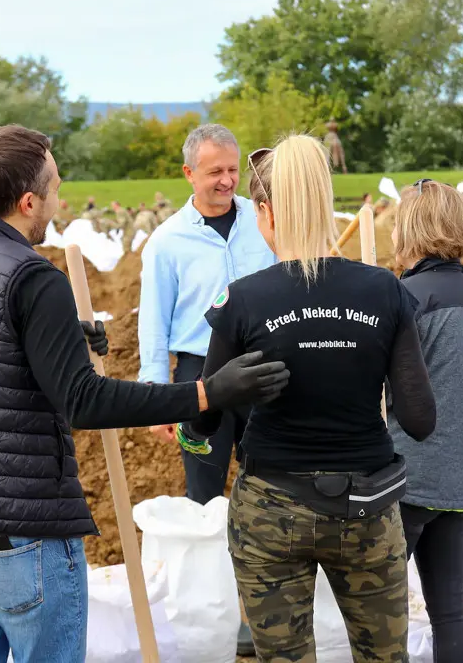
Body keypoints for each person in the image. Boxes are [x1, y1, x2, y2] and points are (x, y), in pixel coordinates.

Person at [0, 124, 289, 663]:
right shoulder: (33, 278)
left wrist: (61, 341)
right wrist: (202, 394)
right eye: (55, 189)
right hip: (17, 534)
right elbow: (83, 402)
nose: (60, 202)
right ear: (28, 200)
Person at [179, 134, 435, 661]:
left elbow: (206, 419)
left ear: (265, 211)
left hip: (271, 511)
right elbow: (420, 418)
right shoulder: (384, 290)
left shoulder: (243, 299)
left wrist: (192, 432)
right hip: (367, 509)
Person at [390, 179, 463, 662]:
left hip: (411, 476)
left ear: (408, 231)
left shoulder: (405, 297)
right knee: (449, 608)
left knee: (381, 605)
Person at [138, 124, 277, 499]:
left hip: (264, 368)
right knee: (204, 493)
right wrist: (156, 396)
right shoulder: (166, 242)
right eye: (215, 172)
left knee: (274, 487)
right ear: (189, 174)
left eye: (233, 170)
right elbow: (153, 321)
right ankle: (208, 557)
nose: (227, 181)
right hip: (198, 376)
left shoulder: (265, 221)